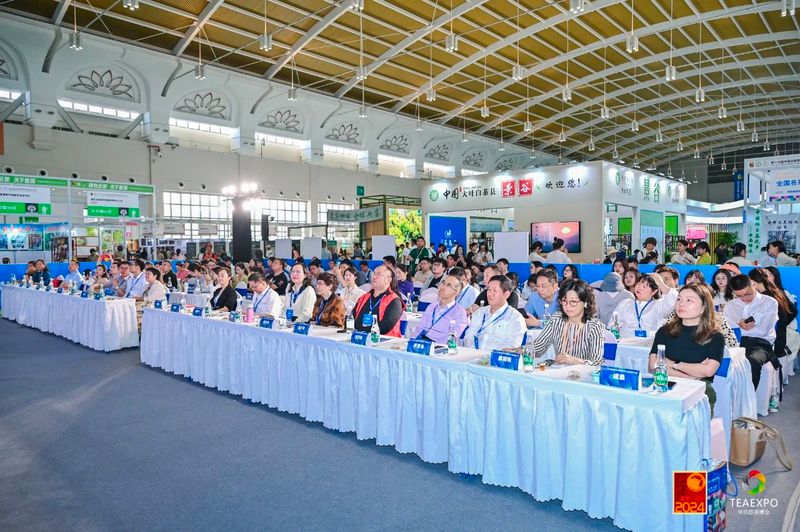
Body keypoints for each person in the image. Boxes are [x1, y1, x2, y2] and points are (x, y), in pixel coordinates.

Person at [649, 284, 725, 408]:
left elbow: (708, 370)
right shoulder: (664, 331)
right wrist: (689, 376)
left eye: (689, 300)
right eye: (679, 299)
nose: (681, 304)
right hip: (664, 383)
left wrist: (673, 364)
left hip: (699, 390)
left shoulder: (715, 337)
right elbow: (653, 365)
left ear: (704, 307)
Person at [529, 279, 604, 365]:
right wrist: (520, 350)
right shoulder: (557, 319)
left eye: (573, 302)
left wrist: (575, 361)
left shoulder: (594, 326)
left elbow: (597, 362)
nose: (568, 306)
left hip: (583, 372)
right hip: (559, 370)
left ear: (585, 302)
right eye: (564, 301)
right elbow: (538, 347)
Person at [724, 275, 780, 389]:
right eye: (739, 296)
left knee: (752, 361)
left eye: (748, 294)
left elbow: (764, 331)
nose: (744, 298)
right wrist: (740, 326)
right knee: (719, 359)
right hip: (735, 342)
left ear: (753, 285)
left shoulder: (769, 302)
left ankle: (748, 397)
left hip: (761, 344)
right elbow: (727, 329)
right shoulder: (730, 306)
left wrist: (738, 328)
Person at [464, 275, 527, 351]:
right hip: (473, 355)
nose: (490, 294)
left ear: (506, 294)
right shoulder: (479, 313)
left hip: (497, 357)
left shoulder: (515, 317)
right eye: (489, 289)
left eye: (495, 290)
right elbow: (468, 337)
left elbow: (512, 347)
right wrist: (474, 353)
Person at [748, 268, 797, 360]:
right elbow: (793, 311)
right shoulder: (777, 292)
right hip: (780, 340)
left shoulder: (764, 298)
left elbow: (758, 321)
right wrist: (782, 324)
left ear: (753, 282)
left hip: (770, 343)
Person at [611, 273, 677, 339]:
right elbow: (612, 324)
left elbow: (673, 299)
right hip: (625, 341)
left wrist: (660, 283)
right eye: (638, 284)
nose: (639, 288)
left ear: (654, 291)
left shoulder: (659, 305)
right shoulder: (625, 303)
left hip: (650, 342)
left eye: (644, 286)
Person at [411, 274, 470, 343]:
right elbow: (419, 328)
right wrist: (412, 340)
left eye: (449, 285)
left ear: (456, 292)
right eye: (443, 283)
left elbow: (452, 339)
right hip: (422, 342)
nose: (443, 287)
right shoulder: (432, 306)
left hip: (439, 346)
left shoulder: (460, 312)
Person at [353, 265, 403, 337]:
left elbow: (385, 327)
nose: (374, 276)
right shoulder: (363, 298)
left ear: (388, 280)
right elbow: (354, 318)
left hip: (384, 341)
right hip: (359, 338)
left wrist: (363, 331)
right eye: (374, 273)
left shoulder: (394, 301)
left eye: (378, 274)